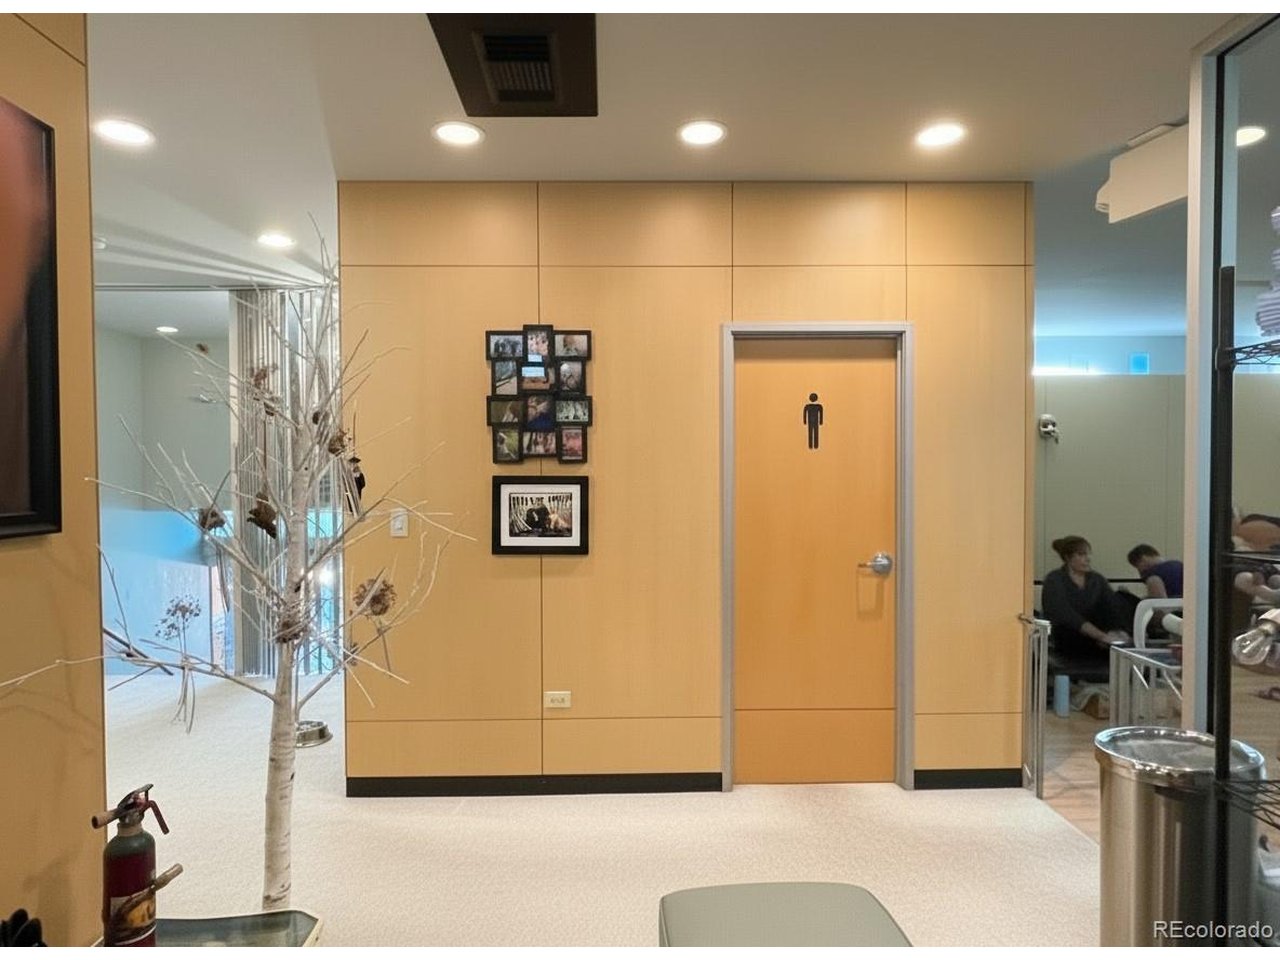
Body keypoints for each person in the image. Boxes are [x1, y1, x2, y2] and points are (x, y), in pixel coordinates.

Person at [1041, 535, 1130, 659]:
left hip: (1101, 637)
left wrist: (1119, 631)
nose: (1087, 559)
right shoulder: (1054, 579)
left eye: (1088, 554)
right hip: (1068, 638)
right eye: (1081, 555)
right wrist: (1101, 636)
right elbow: (1065, 615)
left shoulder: (1097, 579)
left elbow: (1112, 607)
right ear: (1068, 558)